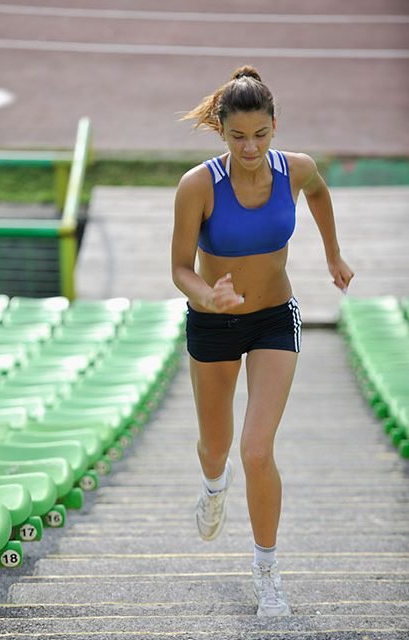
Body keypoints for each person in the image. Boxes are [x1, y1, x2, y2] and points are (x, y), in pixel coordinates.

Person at [171, 65, 354, 617]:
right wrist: (207, 296)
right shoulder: (198, 185)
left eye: (261, 135)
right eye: (238, 137)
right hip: (214, 322)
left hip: (275, 316)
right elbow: (181, 268)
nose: (250, 148)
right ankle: (210, 484)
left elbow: (319, 196)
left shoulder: (297, 170)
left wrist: (332, 254)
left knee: (256, 450)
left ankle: (267, 572)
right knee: (217, 449)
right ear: (221, 131)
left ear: (275, 126)